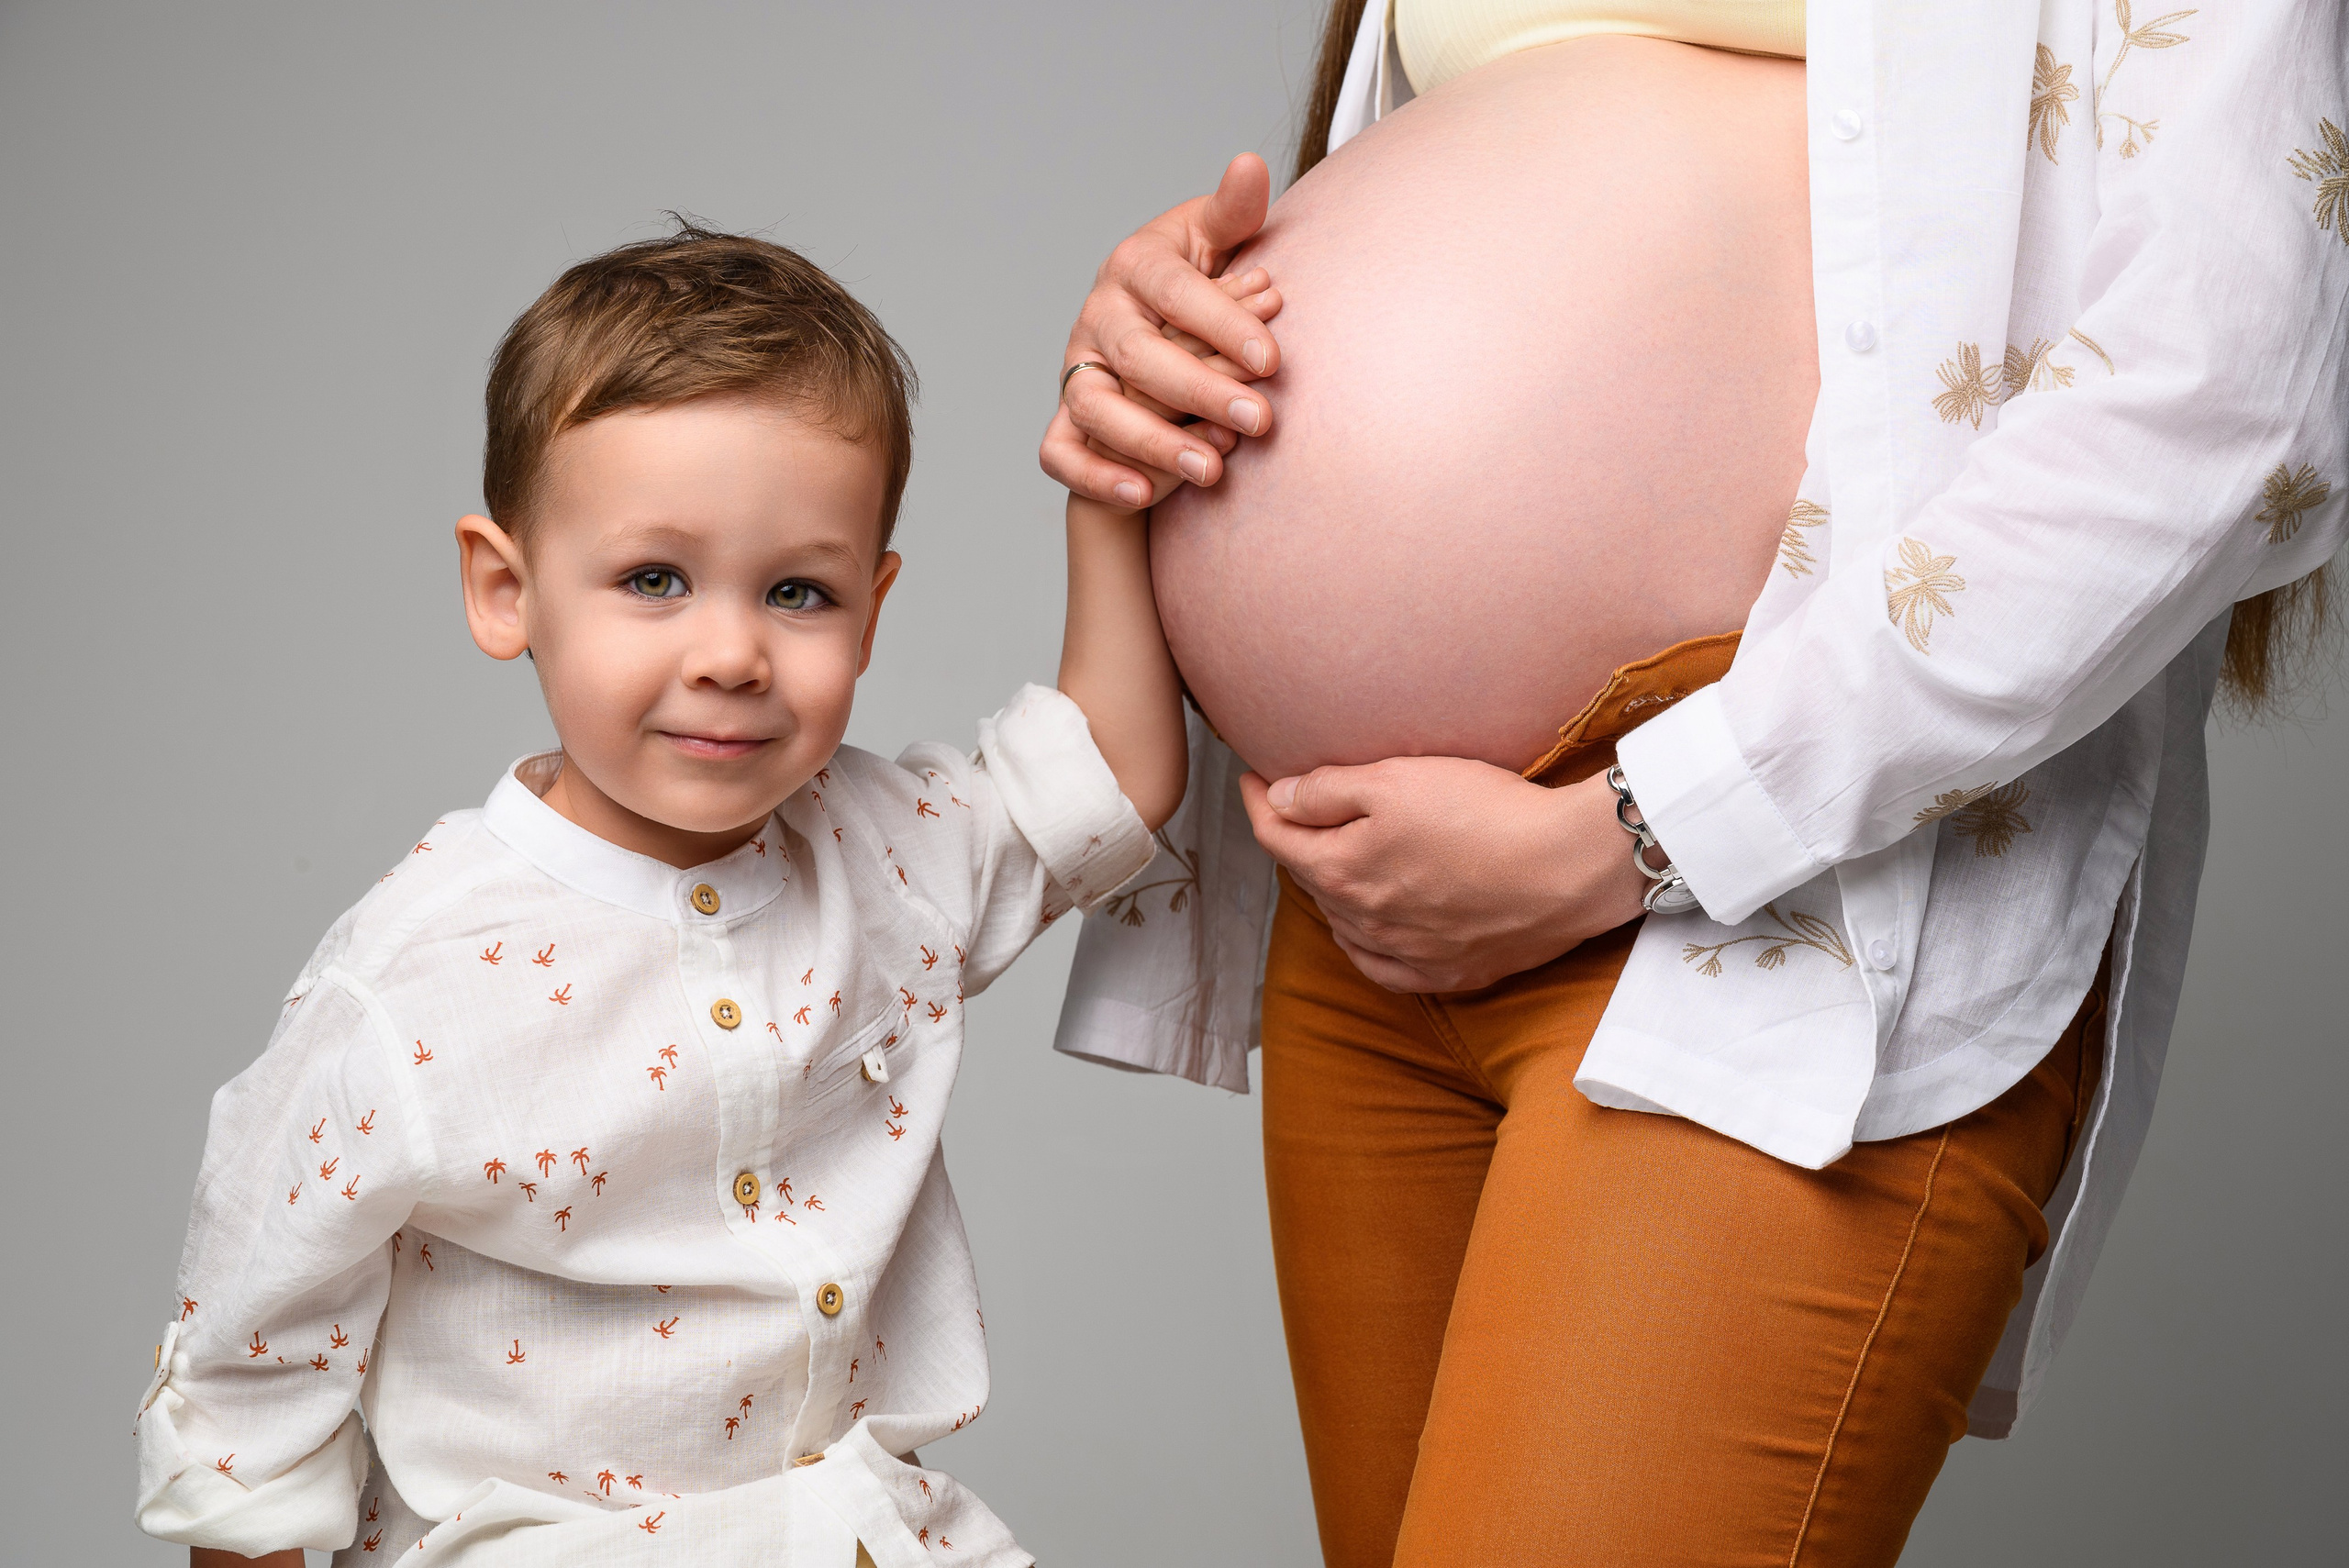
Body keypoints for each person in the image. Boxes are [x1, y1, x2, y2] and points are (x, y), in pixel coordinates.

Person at [1042, 1, 2348, 1563]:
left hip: (1796, 903)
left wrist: (1640, 829)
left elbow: (2239, 391)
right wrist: (1165, 334)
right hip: (1371, 904)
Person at [133, 226, 1220, 1568]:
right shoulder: (415, 982)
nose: (731, 653)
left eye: (798, 591)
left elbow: (1107, 777)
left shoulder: (888, 852)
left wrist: (1111, 487)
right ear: (506, 590)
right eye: (655, 579)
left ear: (872, 614)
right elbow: (248, 1397)